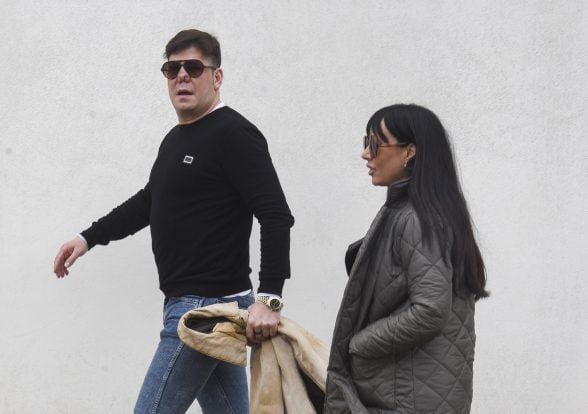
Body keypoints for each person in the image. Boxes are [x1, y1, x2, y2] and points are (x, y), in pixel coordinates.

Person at [52, 29, 294, 414]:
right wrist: (87, 238)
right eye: (172, 68)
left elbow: (276, 214)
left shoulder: (235, 134)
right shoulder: (176, 140)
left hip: (204, 310)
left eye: (194, 67)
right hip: (197, 305)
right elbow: (150, 202)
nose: (182, 76)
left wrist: (270, 297)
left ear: (217, 77)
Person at [325, 104, 488, 413]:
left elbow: (429, 311)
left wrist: (359, 344)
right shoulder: (421, 212)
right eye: (365, 142)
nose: (365, 154)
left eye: (374, 143)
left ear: (409, 151)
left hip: (407, 399)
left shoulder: (416, 219)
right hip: (414, 391)